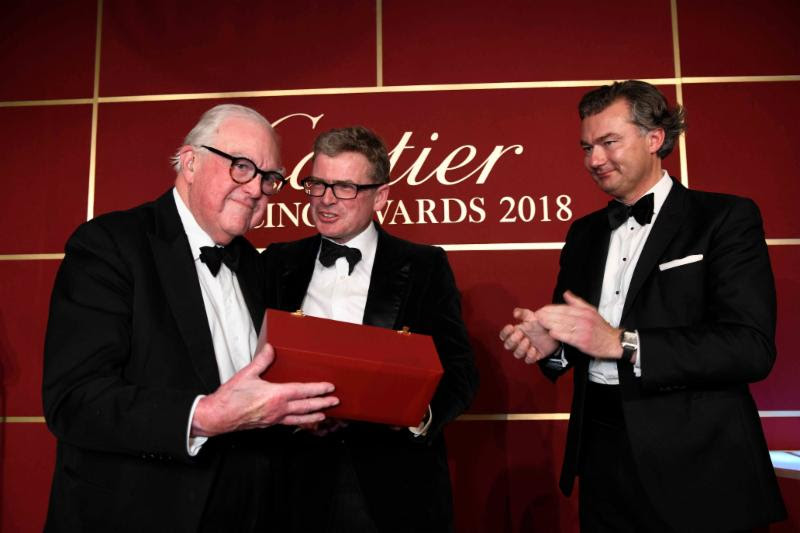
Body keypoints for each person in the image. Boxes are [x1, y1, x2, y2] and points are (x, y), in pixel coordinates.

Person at [500, 80, 786, 532]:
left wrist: (623, 343)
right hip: (603, 460)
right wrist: (551, 345)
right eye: (586, 146)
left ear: (655, 138)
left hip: (700, 466)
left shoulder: (725, 218)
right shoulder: (584, 234)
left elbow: (749, 346)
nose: (594, 160)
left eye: (609, 142)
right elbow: (581, 337)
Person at [42, 104, 339, 532]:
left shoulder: (256, 268)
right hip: (139, 513)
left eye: (269, 177)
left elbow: (254, 397)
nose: (256, 188)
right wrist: (203, 415)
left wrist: (297, 416)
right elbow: (75, 401)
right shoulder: (109, 245)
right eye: (241, 166)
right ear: (190, 162)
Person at [263, 126, 479, 532]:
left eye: (344, 187)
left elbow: (460, 370)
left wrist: (415, 414)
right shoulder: (276, 262)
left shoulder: (424, 266)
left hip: (393, 484)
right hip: (294, 482)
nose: (325, 200)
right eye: (317, 184)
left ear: (381, 196)